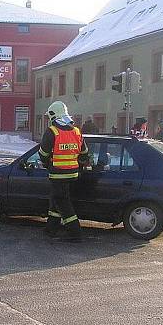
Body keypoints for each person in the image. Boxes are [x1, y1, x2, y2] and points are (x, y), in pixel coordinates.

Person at [39, 101, 90, 242]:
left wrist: (47, 163)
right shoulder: (76, 131)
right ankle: (51, 229)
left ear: (53, 116)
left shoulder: (52, 131)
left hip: (57, 174)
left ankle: (75, 234)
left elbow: (43, 154)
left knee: (63, 204)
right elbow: (85, 153)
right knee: (56, 201)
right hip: (73, 174)